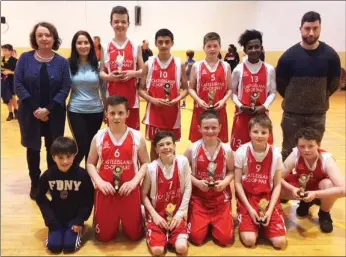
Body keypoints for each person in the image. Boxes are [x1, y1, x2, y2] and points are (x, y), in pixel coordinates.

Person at [14, 22, 71, 200]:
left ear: (54, 38)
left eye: (48, 35)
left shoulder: (61, 61)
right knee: (33, 149)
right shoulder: (25, 58)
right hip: (30, 113)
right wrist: (35, 109)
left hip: (54, 113)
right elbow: (18, 84)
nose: (44, 38)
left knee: (52, 148)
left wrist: (47, 109)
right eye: (40, 35)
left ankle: (51, 181)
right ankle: (35, 183)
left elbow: (65, 87)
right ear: (35, 38)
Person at [276, 11, 341, 161]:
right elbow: (281, 84)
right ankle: (285, 183)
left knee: (311, 152)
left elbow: (334, 83)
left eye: (315, 28)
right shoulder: (288, 56)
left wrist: (318, 98)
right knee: (288, 151)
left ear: (320, 28)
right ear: (300, 29)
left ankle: (308, 181)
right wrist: (295, 99)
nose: (311, 33)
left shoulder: (331, 56)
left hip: (317, 115)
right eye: (307, 28)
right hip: (292, 115)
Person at [87, 95, 150, 242]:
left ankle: (139, 211)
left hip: (129, 190)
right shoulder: (99, 137)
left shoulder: (137, 137)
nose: (116, 117)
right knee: (104, 237)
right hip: (105, 191)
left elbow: (146, 163)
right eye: (112, 113)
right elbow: (90, 163)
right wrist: (100, 183)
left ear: (127, 113)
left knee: (135, 236)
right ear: (106, 114)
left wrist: (134, 182)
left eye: (120, 113)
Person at [234, 115, 286, 249]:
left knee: (280, 243)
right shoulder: (241, 152)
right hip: (248, 198)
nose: (259, 135)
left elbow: (278, 184)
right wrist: (250, 209)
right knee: (249, 240)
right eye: (255, 131)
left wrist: (269, 211)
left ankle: (265, 224)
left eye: (264, 132)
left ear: (270, 134)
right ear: (249, 132)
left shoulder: (276, 154)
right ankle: (254, 225)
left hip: (267, 199)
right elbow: (238, 183)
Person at [280, 127, 346, 233]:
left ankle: (324, 213)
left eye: (311, 146)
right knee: (276, 186)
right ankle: (304, 201)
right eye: (302, 146)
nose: (306, 150)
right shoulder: (296, 154)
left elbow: (344, 190)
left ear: (318, 145)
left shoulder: (326, 159)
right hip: (303, 187)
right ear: (297, 146)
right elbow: (277, 177)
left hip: (319, 190)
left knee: (329, 184)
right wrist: (292, 189)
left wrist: (315, 194)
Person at [36, 137, 94, 253]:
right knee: (54, 247)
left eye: (69, 156)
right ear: (53, 157)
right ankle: (58, 231)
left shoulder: (82, 175)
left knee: (69, 246)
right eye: (60, 158)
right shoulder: (48, 175)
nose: (65, 161)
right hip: (56, 217)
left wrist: (79, 220)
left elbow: (88, 199)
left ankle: (76, 230)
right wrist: (50, 220)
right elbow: (40, 198)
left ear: (74, 155)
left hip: (74, 217)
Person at [185, 110, 234, 246]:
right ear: (199, 129)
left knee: (225, 240)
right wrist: (197, 182)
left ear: (220, 128)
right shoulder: (192, 149)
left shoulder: (227, 150)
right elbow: (182, 171)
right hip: (199, 198)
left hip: (220, 198)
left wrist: (224, 182)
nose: (210, 131)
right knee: (196, 238)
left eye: (214, 128)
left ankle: (215, 222)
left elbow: (231, 171)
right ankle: (205, 222)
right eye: (206, 128)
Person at [139, 28, 188, 161]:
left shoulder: (180, 64)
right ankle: (154, 175)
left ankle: (170, 175)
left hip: (173, 113)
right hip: (154, 112)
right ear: (156, 43)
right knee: (155, 146)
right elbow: (140, 89)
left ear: (172, 43)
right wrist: (152, 100)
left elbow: (186, 89)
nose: (164, 45)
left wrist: (177, 99)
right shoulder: (148, 64)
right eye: (160, 42)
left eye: (167, 42)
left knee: (171, 146)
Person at [142, 131, 191, 256]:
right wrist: (155, 216)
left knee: (181, 248)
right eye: (161, 145)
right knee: (158, 251)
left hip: (176, 214)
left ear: (174, 146)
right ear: (156, 149)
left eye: (169, 143)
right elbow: (143, 195)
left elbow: (187, 187)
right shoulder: (151, 168)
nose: (166, 147)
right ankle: (150, 227)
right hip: (157, 215)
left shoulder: (183, 162)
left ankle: (171, 236)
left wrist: (180, 214)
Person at [230, 29, 276, 151]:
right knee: (239, 150)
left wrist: (264, 106)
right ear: (245, 50)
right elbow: (233, 93)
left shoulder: (269, 69)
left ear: (261, 48)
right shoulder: (238, 70)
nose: (254, 50)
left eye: (257, 47)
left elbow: (272, 92)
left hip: (262, 115)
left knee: (262, 148)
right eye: (250, 47)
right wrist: (241, 106)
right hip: (242, 114)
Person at [100, 6, 144, 130]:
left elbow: (143, 71)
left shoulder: (136, 45)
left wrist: (132, 73)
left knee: (133, 137)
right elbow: (101, 72)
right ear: (111, 23)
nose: (120, 24)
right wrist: (110, 77)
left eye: (123, 22)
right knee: (114, 134)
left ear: (128, 24)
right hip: (112, 101)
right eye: (116, 21)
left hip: (132, 101)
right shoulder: (105, 46)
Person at [67, 31, 104, 167]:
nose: (83, 46)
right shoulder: (68, 64)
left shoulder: (98, 65)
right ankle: (70, 175)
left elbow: (104, 89)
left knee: (91, 149)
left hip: (96, 111)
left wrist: (107, 109)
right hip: (76, 111)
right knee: (81, 147)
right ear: (74, 45)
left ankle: (89, 182)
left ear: (91, 45)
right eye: (79, 43)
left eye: (86, 42)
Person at [188, 32, 232, 143]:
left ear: (220, 47)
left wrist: (223, 101)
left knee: (219, 143)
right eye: (209, 46)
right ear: (204, 48)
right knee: (197, 144)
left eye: (215, 46)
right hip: (200, 110)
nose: (212, 49)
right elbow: (191, 88)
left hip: (219, 110)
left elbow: (230, 89)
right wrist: (198, 100)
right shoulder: (197, 66)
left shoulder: (226, 66)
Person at [1, 44, 18, 121]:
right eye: (3, 50)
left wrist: (9, 72)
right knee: (6, 97)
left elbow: (18, 73)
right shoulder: (1, 60)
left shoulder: (15, 61)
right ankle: (10, 113)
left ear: (10, 51)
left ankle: (16, 110)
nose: (3, 52)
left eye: (5, 50)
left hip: (12, 80)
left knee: (12, 96)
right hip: (3, 81)